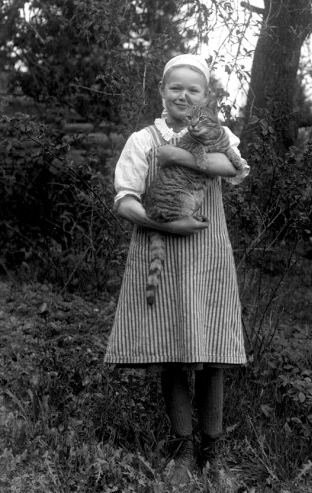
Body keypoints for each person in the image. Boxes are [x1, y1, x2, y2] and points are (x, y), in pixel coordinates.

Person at [104, 53, 249, 486]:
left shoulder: (217, 134)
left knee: (213, 352)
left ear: (205, 96)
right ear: (162, 91)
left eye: (193, 89)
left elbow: (234, 166)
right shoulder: (142, 139)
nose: (183, 95)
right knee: (170, 352)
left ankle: (213, 450)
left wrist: (179, 156)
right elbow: (125, 199)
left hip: (208, 255)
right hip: (160, 246)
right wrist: (166, 222)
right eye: (175, 88)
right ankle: (182, 448)